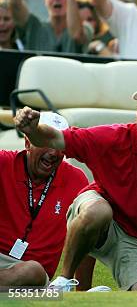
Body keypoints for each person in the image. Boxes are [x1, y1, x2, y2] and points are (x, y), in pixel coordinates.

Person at [14, 82, 137, 292]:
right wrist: (33, 130)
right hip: (99, 214)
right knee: (98, 213)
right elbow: (55, 138)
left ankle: (92, 298)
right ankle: (64, 282)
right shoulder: (115, 137)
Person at [0, 112, 89, 287]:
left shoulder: (76, 180)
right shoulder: (3, 163)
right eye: (46, 142)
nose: (53, 152)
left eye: (58, 143)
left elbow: (88, 234)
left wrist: (83, 291)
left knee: (33, 271)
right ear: (27, 143)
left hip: (31, 277)